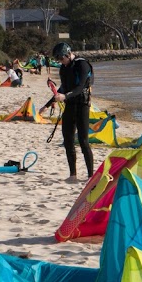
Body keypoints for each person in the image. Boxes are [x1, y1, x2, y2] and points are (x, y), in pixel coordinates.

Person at [42, 42, 94, 182]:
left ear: (67, 54)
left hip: (82, 105)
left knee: (83, 141)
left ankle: (90, 176)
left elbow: (79, 87)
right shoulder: (63, 69)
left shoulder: (82, 65)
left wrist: (64, 96)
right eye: (58, 60)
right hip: (70, 105)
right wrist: (48, 104)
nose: (60, 62)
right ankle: (73, 174)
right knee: (68, 140)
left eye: (61, 59)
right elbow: (63, 88)